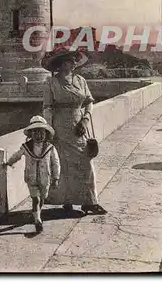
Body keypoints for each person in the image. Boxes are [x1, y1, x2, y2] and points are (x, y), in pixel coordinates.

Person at [42, 47, 107, 215]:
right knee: (64, 166)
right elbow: (47, 107)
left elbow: (89, 102)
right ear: (61, 64)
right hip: (60, 127)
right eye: (70, 61)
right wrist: (49, 130)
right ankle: (67, 204)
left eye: (74, 60)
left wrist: (85, 119)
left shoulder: (80, 80)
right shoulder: (51, 83)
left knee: (86, 163)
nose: (74, 63)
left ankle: (89, 201)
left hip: (79, 127)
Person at [0, 115, 60, 233]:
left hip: (45, 178)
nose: (38, 135)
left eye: (41, 132)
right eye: (35, 133)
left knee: (42, 198)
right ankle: (38, 220)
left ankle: (37, 213)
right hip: (31, 177)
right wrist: (8, 162)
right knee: (35, 199)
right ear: (31, 134)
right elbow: (17, 155)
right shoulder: (26, 147)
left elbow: (56, 163)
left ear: (46, 134)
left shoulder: (50, 148)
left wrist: (56, 177)